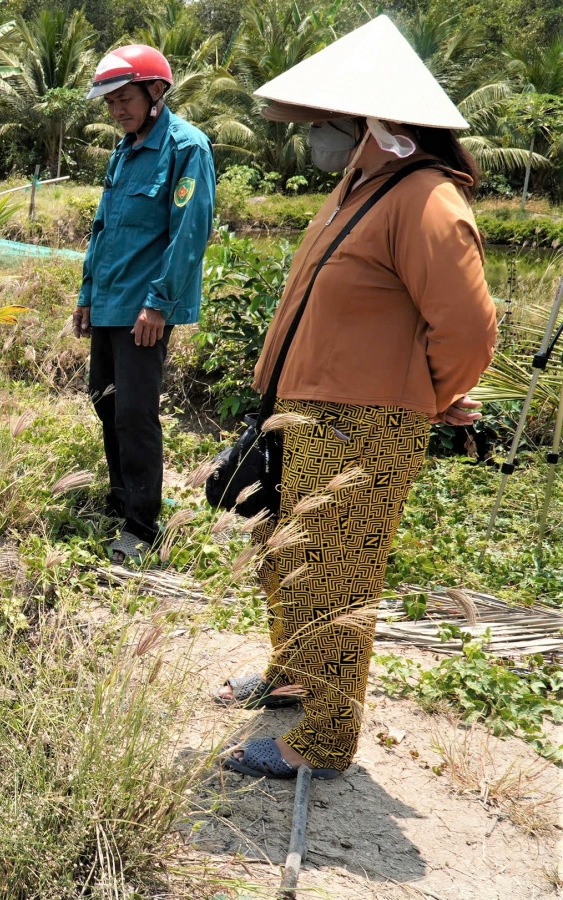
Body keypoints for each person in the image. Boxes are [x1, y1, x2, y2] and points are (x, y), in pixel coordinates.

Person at [216, 16, 498, 780]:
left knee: (338, 577)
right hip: (304, 412)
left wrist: (425, 398)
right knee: (282, 554)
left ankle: (327, 739)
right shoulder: (361, 186)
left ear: (373, 124)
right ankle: (291, 674)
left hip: (365, 426)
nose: (314, 137)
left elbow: (471, 330)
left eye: (324, 125)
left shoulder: (427, 201)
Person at [74, 44, 216, 566]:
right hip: (110, 300)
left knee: (135, 411)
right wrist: (87, 294)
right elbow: (104, 227)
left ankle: (141, 524)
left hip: (144, 310)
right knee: (105, 400)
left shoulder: (186, 148)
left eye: (125, 99)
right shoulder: (124, 149)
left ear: (156, 92)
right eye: (110, 103)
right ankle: (121, 497)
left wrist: (159, 304)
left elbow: (189, 234)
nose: (117, 111)